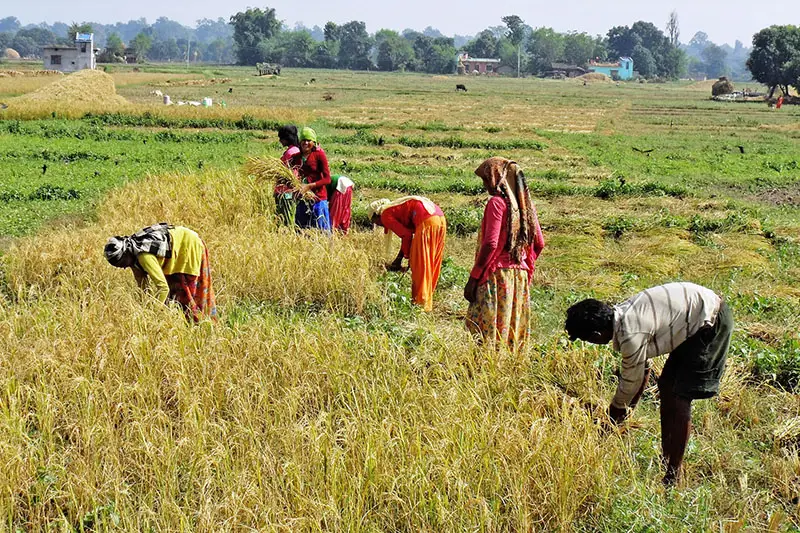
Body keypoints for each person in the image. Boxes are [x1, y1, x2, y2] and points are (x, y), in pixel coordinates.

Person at [564, 282, 733, 485]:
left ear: (596, 336)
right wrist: (625, 414)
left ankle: (673, 474)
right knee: (667, 387)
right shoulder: (624, 314)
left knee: (679, 397)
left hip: (710, 322)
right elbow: (642, 372)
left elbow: (630, 383)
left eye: (587, 340)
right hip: (695, 317)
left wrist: (610, 423)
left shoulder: (631, 334)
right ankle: (666, 458)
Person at [464, 157, 545, 349]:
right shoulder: (526, 207)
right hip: (520, 278)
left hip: (497, 277)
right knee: (511, 329)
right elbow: (539, 243)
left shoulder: (497, 204)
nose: (485, 185)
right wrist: (523, 264)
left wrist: (474, 277)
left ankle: (486, 372)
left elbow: (491, 244)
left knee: (488, 330)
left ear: (497, 178)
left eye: (486, 179)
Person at [104, 223, 217, 322]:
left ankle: (202, 325)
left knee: (186, 297)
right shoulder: (132, 259)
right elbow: (143, 289)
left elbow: (163, 288)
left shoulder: (143, 256)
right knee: (174, 299)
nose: (123, 267)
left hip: (188, 246)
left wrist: (154, 314)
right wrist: (142, 311)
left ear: (125, 254)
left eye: (121, 263)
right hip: (176, 253)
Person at [368, 196, 446, 312]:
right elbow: (407, 235)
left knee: (420, 265)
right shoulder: (396, 208)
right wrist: (400, 258)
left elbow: (406, 235)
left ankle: (420, 305)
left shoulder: (385, 215)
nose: (379, 225)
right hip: (440, 219)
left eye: (375, 222)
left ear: (376, 215)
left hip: (427, 221)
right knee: (430, 263)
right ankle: (426, 301)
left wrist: (405, 258)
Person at [290, 127, 331, 232]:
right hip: (303, 199)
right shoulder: (295, 157)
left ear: (314, 142)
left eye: (309, 140)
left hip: (318, 199)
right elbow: (290, 174)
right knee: (302, 230)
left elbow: (327, 179)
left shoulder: (319, 155)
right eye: (303, 140)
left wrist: (309, 186)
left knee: (322, 231)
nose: (306, 143)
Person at [275, 124, 300, 226]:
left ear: (287, 138)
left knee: (285, 216)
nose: (280, 140)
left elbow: (290, 174)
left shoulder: (291, 153)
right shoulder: (295, 150)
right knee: (288, 214)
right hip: (287, 190)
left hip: (285, 191)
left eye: (281, 138)